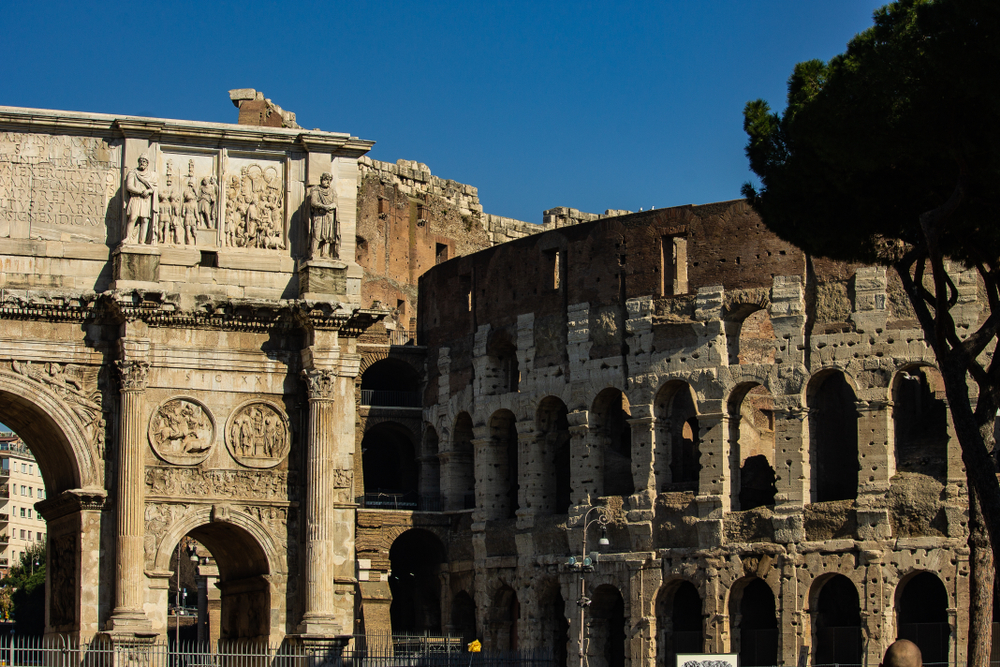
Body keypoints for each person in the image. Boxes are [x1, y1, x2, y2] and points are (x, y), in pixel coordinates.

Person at [123, 153, 158, 244]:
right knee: (133, 217)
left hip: (146, 200)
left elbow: (154, 188)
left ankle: (142, 241)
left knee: (145, 220)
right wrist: (141, 191)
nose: (142, 163)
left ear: (147, 163)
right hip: (135, 198)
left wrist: (149, 191)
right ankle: (128, 237)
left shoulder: (151, 175)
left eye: (144, 161)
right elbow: (129, 186)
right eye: (141, 161)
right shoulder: (133, 173)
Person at [309, 172, 339, 259]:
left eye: (329, 180)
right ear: (321, 180)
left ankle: (325, 253)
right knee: (317, 234)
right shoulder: (316, 190)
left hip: (329, 215)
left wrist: (330, 206)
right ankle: (313, 253)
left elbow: (335, 203)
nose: (328, 182)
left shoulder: (332, 191)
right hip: (319, 215)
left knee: (328, 236)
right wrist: (323, 206)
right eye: (326, 180)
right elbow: (313, 202)